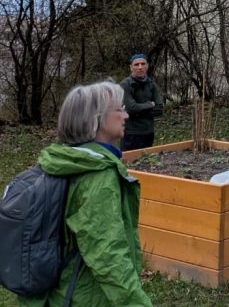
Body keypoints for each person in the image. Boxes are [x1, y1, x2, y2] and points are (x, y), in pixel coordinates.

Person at [19, 81, 152, 306]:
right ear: (97, 119)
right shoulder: (96, 176)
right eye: (120, 109)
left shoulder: (66, 160)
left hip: (58, 291)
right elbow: (109, 256)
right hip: (85, 296)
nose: (126, 116)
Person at [121, 54, 163, 151]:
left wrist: (138, 111)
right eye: (136, 64)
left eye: (143, 64)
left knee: (146, 162)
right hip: (131, 133)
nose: (140, 67)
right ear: (131, 67)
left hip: (148, 132)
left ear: (147, 66)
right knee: (128, 162)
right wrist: (149, 104)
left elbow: (159, 109)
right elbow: (131, 108)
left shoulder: (151, 84)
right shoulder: (125, 85)